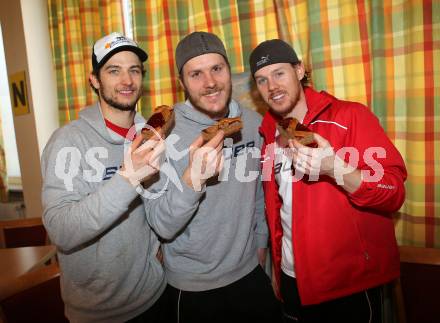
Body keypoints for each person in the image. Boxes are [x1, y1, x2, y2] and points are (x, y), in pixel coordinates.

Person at [249, 39, 407, 323]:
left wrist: (335, 168)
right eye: (261, 80)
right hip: (290, 280)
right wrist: (277, 271)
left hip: (347, 286)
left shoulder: (350, 116)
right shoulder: (269, 133)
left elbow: (394, 191)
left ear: (299, 70)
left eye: (279, 73)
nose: (271, 86)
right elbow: (277, 209)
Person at [144, 31, 282, 323]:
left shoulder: (253, 122)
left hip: (249, 272)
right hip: (192, 287)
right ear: (181, 82)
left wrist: (260, 241)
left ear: (229, 71)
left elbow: (259, 191)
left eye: (217, 69)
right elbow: (162, 225)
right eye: (196, 74)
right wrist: (192, 180)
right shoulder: (161, 137)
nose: (210, 83)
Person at [41, 32, 168, 323]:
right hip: (98, 313)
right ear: (95, 80)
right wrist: (127, 178)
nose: (127, 80)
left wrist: (157, 251)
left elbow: (158, 206)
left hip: (155, 296)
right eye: (114, 70)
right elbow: (61, 229)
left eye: (134, 70)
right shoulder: (68, 142)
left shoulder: (152, 135)